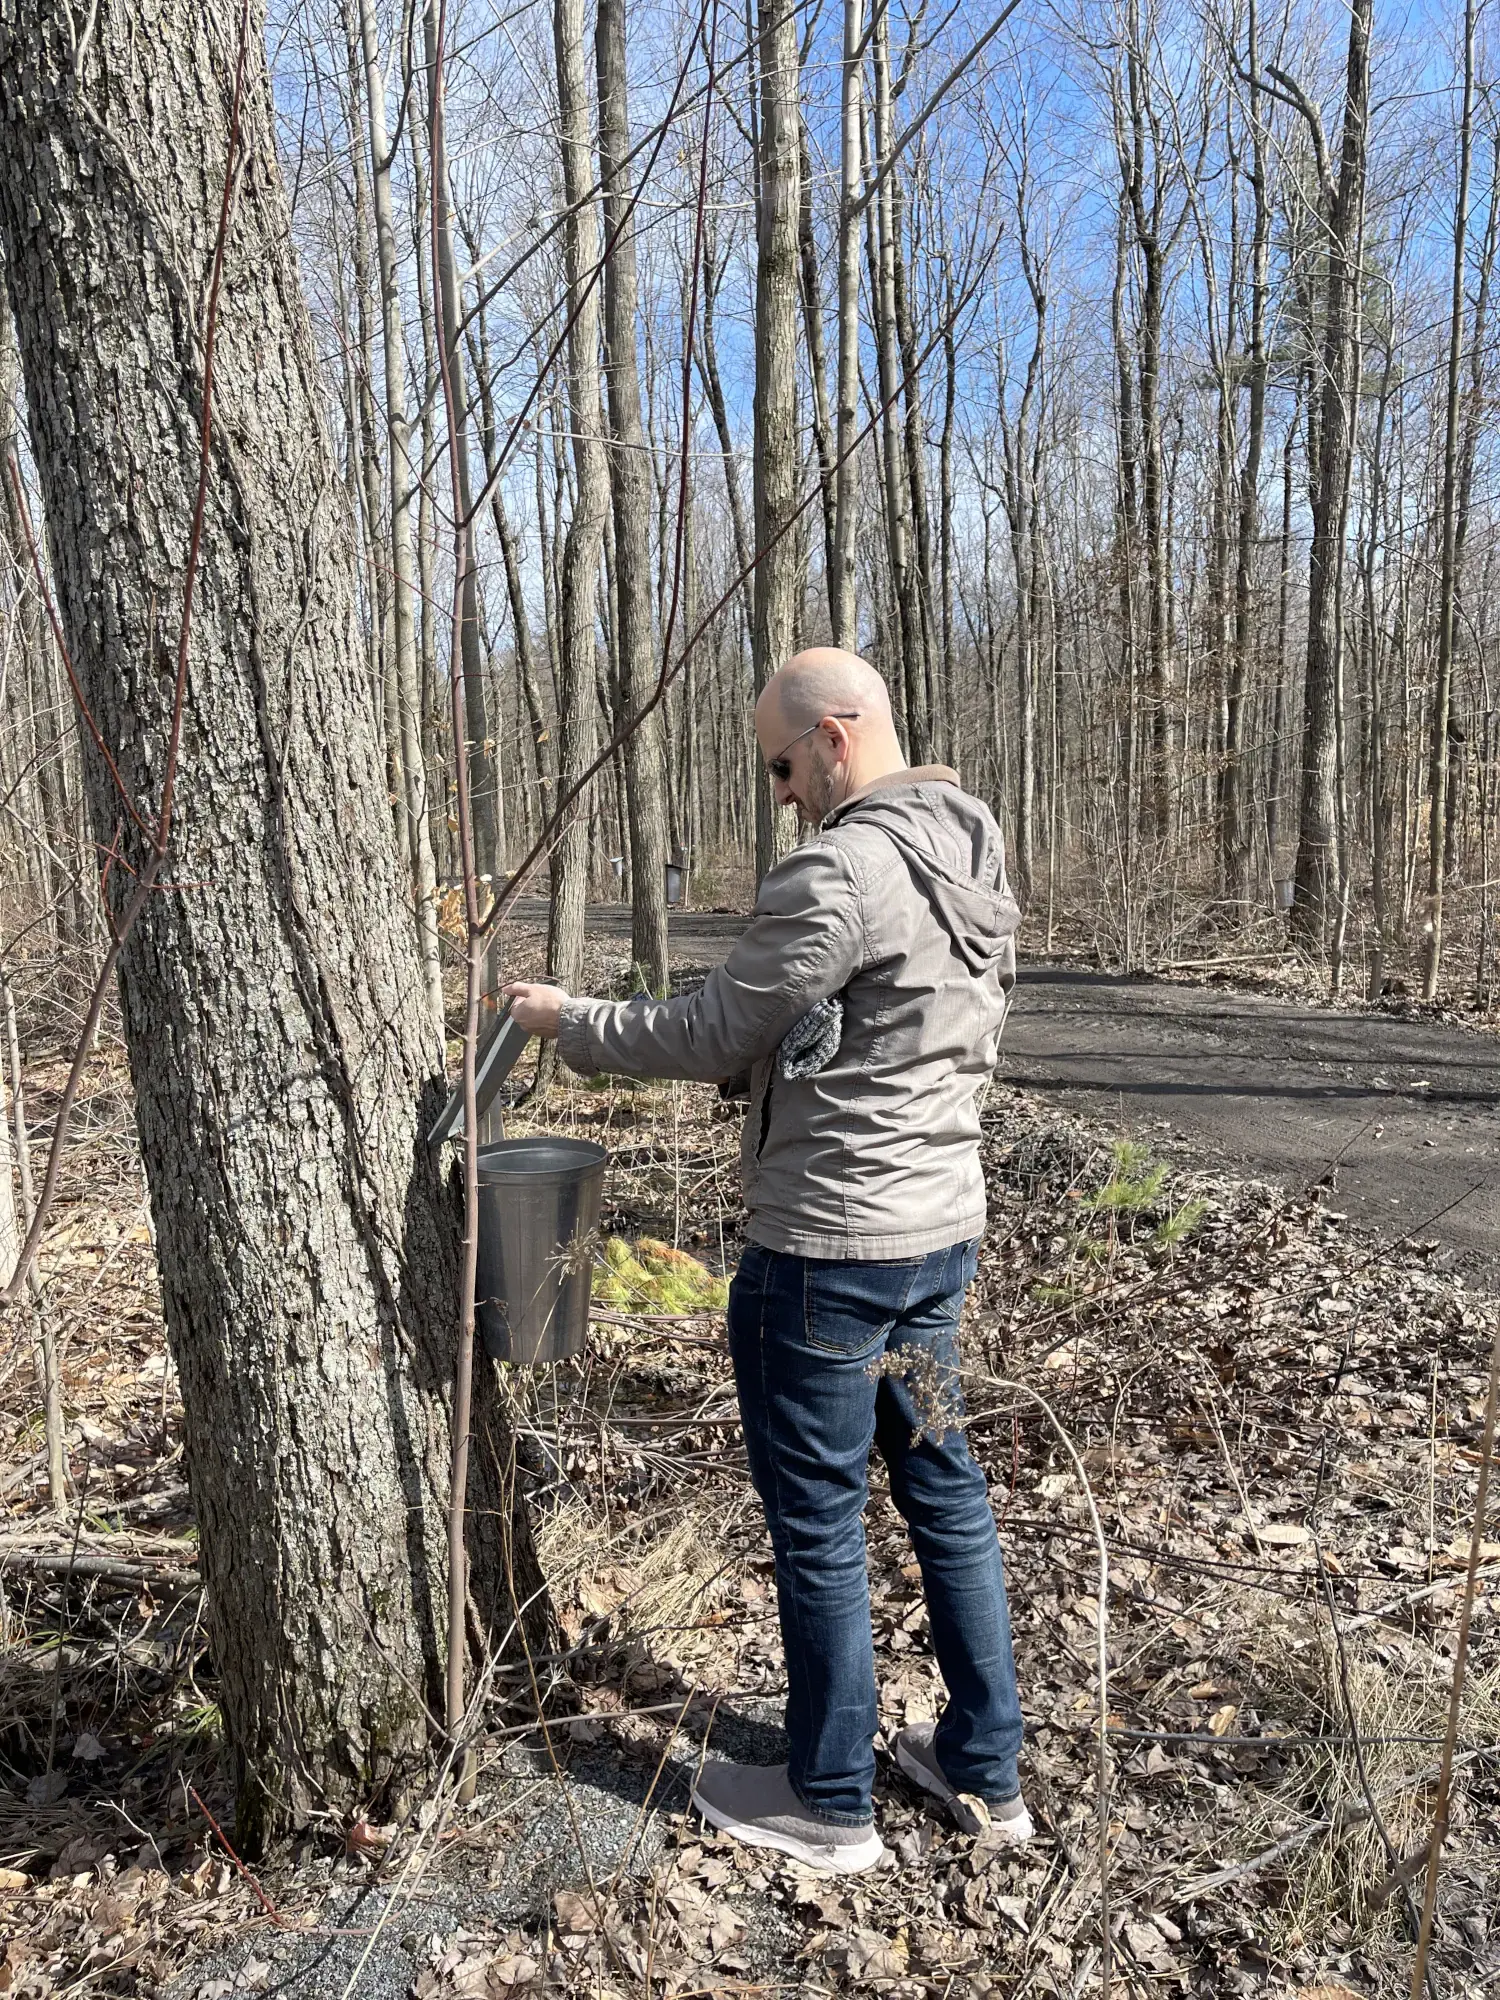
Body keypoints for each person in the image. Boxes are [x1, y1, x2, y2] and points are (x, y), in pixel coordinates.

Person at [505, 647, 1028, 1875]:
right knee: (945, 1488)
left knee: (819, 1519)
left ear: (838, 738)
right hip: (935, 1250)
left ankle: (829, 1795)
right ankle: (983, 1765)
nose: (782, 790)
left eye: (785, 764)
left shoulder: (843, 867)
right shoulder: (974, 841)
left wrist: (568, 1021)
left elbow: (713, 1026)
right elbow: (848, 1022)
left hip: (824, 1265)